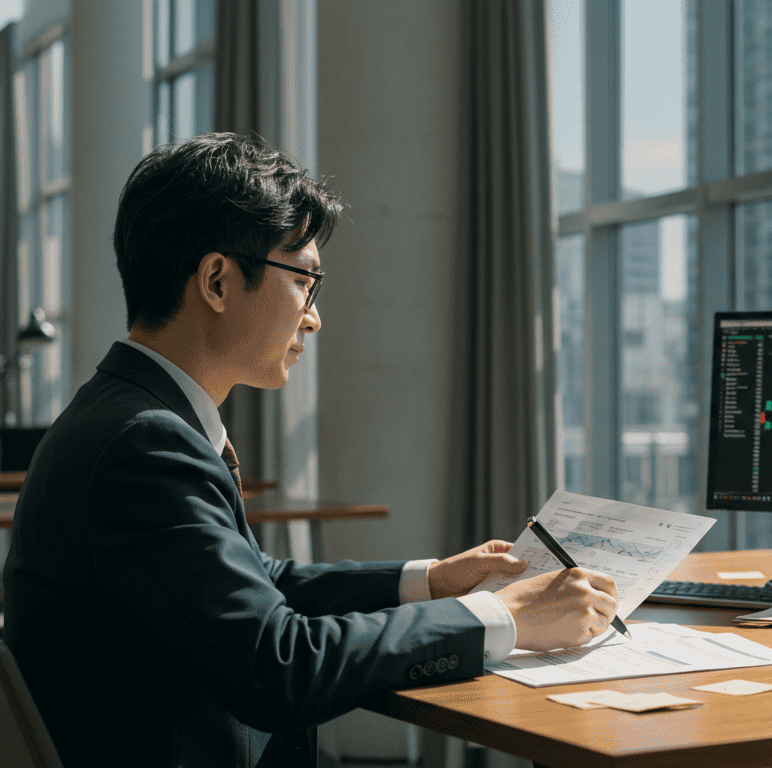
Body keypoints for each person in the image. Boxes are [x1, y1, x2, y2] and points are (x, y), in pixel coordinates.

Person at [0, 132, 619, 767]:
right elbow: (278, 668)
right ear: (216, 279)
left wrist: (430, 583)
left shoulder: (126, 413)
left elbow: (254, 582)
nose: (314, 317)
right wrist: (495, 615)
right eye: (305, 281)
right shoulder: (144, 442)